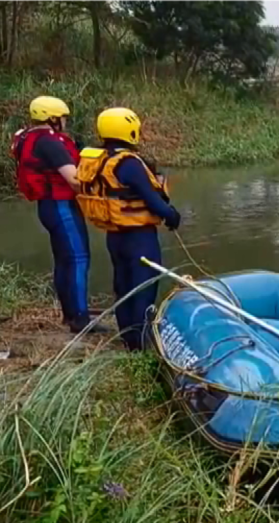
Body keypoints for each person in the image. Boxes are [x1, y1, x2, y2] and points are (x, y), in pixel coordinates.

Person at [75, 107, 182, 352]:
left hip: (115, 236)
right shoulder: (129, 163)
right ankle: (142, 344)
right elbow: (153, 201)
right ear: (129, 131)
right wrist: (172, 216)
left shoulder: (100, 160)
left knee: (123, 287)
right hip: (139, 238)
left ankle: (128, 340)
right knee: (143, 289)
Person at [8, 96, 106, 333]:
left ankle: (70, 314)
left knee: (64, 260)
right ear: (52, 118)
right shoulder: (50, 143)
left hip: (48, 207)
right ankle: (80, 320)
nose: (65, 122)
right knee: (78, 259)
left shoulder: (28, 137)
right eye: (62, 118)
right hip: (62, 207)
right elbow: (74, 181)